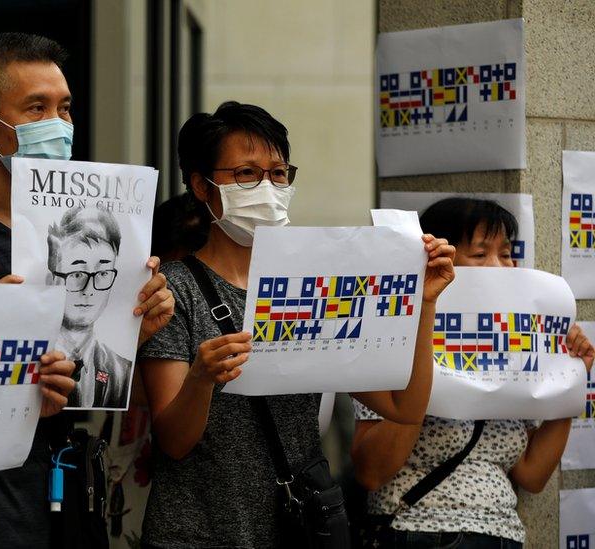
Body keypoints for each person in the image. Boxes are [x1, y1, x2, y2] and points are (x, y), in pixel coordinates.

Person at [0, 32, 173, 547]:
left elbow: (79, 389)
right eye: (36, 108)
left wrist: (135, 325)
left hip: (63, 507)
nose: (58, 126)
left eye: (64, 109)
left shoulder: (75, 235)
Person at [137, 101, 456, 548]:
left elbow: (404, 406)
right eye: (246, 174)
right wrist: (202, 379)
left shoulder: (316, 282)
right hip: (194, 533)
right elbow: (173, 442)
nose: (267, 187)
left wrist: (425, 305)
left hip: (296, 528)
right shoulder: (174, 289)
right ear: (201, 186)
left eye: (279, 173)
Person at [351, 197, 595, 548]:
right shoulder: (391, 340)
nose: (499, 266)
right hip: (417, 530)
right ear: (439, 261)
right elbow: (371, 472)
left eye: (507, 254)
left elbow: (531, 474)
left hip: (501, 534)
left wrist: (570, 380)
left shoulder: (516, 347)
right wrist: (428, 357)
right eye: (480, 255)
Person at [47, 207, 131, 409]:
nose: (89, 289)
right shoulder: (26, 363)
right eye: (77, 274)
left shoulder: (122, 370)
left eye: (102, 273)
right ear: (53, 277)